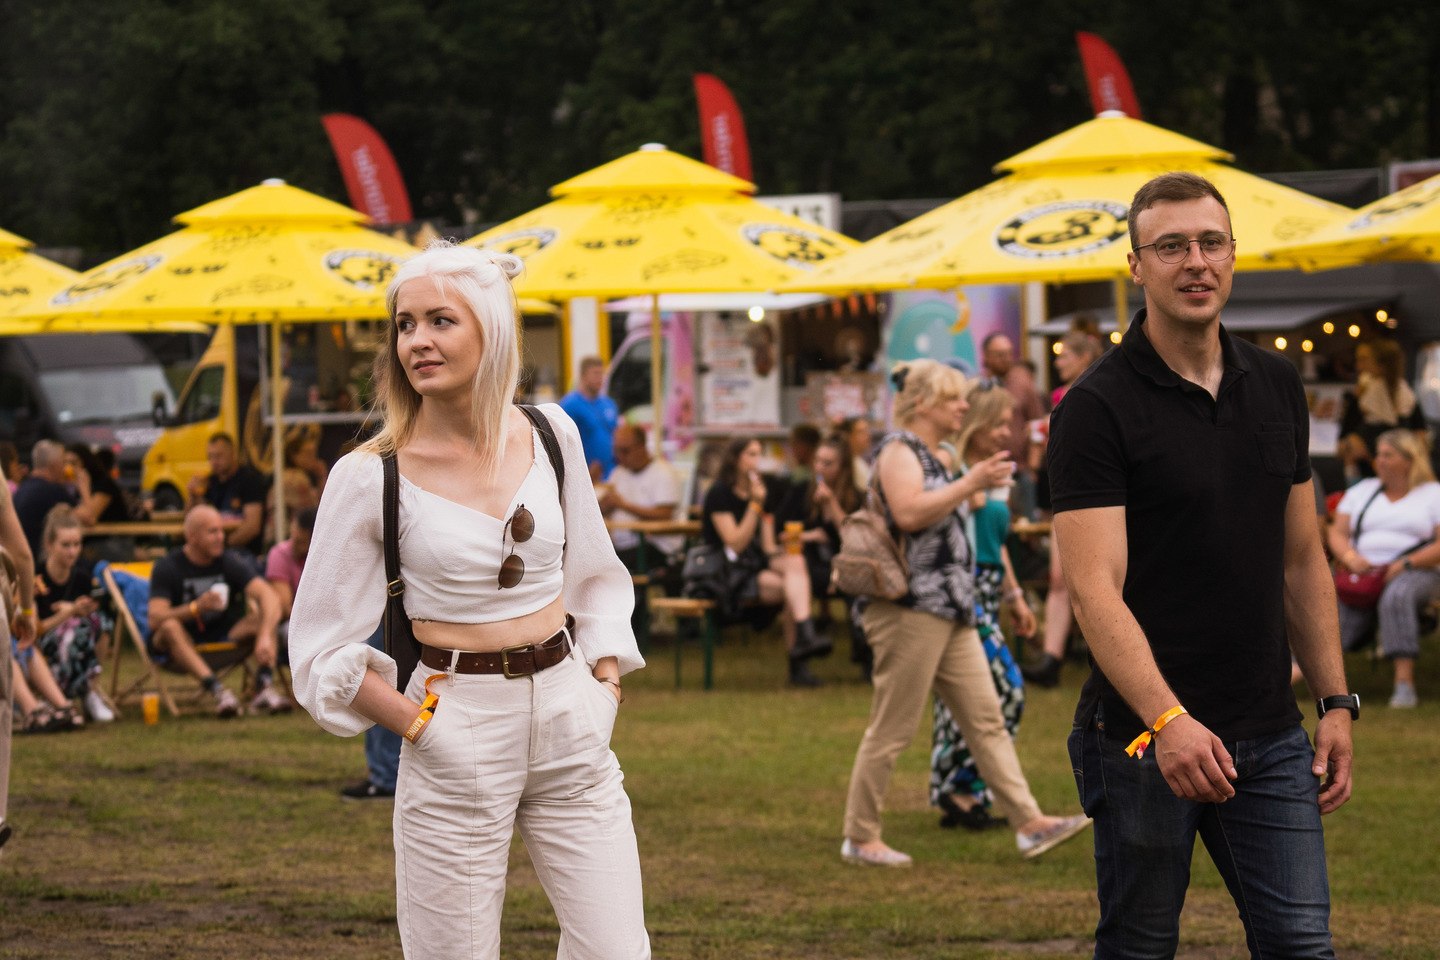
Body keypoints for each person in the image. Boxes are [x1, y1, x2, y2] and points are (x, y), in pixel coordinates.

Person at [289, 241, 650, 959]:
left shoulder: (553, 433)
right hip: (454, 723)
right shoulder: (370, 476)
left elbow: (595, 576)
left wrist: (604, 686)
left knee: (617, 950)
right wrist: (420, 725)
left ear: (492, 329)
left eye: (440, 321)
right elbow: (320, 647)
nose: (417, 341)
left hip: (570, 715)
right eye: (405, 324)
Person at [1050, 172, 1355, 956]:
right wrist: (1169, 721)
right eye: (1172, 246)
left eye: (1211, 243)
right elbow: (1094, 591)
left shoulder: (1276, 383)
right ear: (1136, 266)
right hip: (1143, 738)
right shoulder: (1096, 406)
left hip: (1269, 730)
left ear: (1232, 255)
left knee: (1301, 945)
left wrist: (1335, 701)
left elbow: (1302, 560)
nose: (1196, 261)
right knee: (1141, 945)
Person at [841, 359, 1090, 867]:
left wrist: (1007, 591)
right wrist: (970, 482)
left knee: (987, 720)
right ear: (923, 403)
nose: (962, 406)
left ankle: (1030, 824)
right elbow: (909, 512)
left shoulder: (938, 454)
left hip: (953, 609)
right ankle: (860, 837)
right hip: (910, 609)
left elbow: (953, 521)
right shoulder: (899, 450)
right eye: (953, 398)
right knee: (892, 729)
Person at [929, 379, 1037, 831]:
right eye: (997, 424)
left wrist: (1015, 596)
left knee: (970, 694)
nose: (1005, 432)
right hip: (962, 589)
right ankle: (960, 787)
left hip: (990, 589)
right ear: (976, 423)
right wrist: (967, 489)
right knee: (1005, 690)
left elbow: (998, 542)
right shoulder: (950, 467)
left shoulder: (994, 470)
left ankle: (962, 794)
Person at [700, 437, 831, 687]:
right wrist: (755, 505)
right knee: (795, 588)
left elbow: (768, 547)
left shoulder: (761, 490)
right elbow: (735, 544)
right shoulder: (720, 493)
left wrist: (795, 542)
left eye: (759, 454)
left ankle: (805, 639)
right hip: (728, 572)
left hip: (756, 565)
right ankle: (801, 655)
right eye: (751, 454)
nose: (756, 461)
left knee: (796, 564)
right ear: (735, 459)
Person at [1328, 428, 1440, 708]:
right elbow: (1337, 532)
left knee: (1397, 595)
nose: (1380, 460)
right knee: (1334, 601)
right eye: (1378, 454)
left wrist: (1405, 564)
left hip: (1417, 570)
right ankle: (1316, 679)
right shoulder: (1363, 491)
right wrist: (1351, 558)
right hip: (1363, 572)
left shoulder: (1432, 493)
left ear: (1409, 459)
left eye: (1388, 455)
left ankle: (1404, 685)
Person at [148, 504, 287, 717]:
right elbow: (155, 618)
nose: (221, 537)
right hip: (179, 647)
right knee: (169, 626)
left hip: (224, 637)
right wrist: (195, 608)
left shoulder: (228, 561)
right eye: (212, 532)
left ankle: (264, 686)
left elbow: (268, 596)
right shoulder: (168, 567)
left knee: (265, 615)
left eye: (222, 531)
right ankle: (218, 691)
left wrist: (265, 635)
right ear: (192, 537)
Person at [1025, 329, 1105, 689]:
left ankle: (1106, 658)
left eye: (1064, 355)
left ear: (1084, 357)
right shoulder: (1059, 395)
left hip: (1099, 495)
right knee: (1060, 578)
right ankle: (1051, 658)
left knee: (1098, 581)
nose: (1058, 362)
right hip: (1065, 491)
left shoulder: (1101, 389)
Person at [34, 506, 114, 722]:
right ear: (49, 545)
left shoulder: (82, 577)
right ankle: (74, 695)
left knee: (102, 623)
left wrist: (84, 610)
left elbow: (93, 612)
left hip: (79, 641)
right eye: (65, 545)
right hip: (43, 645)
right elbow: (35, 630)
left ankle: (91, 690)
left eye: (77, 544)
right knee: (75, 629)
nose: (72, 552)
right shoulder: (36, 579)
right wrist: (69, 612)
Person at [980, 332, 1045, 520]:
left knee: (1026, 526)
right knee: (998, 521)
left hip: (1021, 471)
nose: (1006, 359)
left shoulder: (1023, 384)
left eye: (1009, 353)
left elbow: (1037, 424)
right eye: (1000, 354)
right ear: (986, 356)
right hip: (990, 468)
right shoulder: (980, 388)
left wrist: (1033, 467)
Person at [186, 432, 267, 557]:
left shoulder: (249, 480)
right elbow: (193, 519)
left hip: (244, 551)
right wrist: (193, 496)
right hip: (215, 551)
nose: (214, 461)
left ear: (233, 454)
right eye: (210, 457)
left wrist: (223, 546)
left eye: (218, 456)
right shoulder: (210, 482)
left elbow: (252, 527)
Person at [13, 440, 79, 559]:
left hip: (19, 557)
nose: (65, 468)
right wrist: (83, 486)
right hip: (37, 560)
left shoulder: (23, 488)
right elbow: (88, 518)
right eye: (63, 462)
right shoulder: (52, 490)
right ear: (55, 464)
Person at [559, 355, 620, 481]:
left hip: (611, 473)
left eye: (602, 374)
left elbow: (616, 434)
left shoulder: (608, 404)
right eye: (596, 374)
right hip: (584, 475)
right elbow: (563, 440)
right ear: (583, 376)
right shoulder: (570, 405)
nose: (600, 378)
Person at [840, 416, 874, 488]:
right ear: (848, 436)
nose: (868, 435)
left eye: (867, 430)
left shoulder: (858, 460)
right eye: (861, 432)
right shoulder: (846, 464)